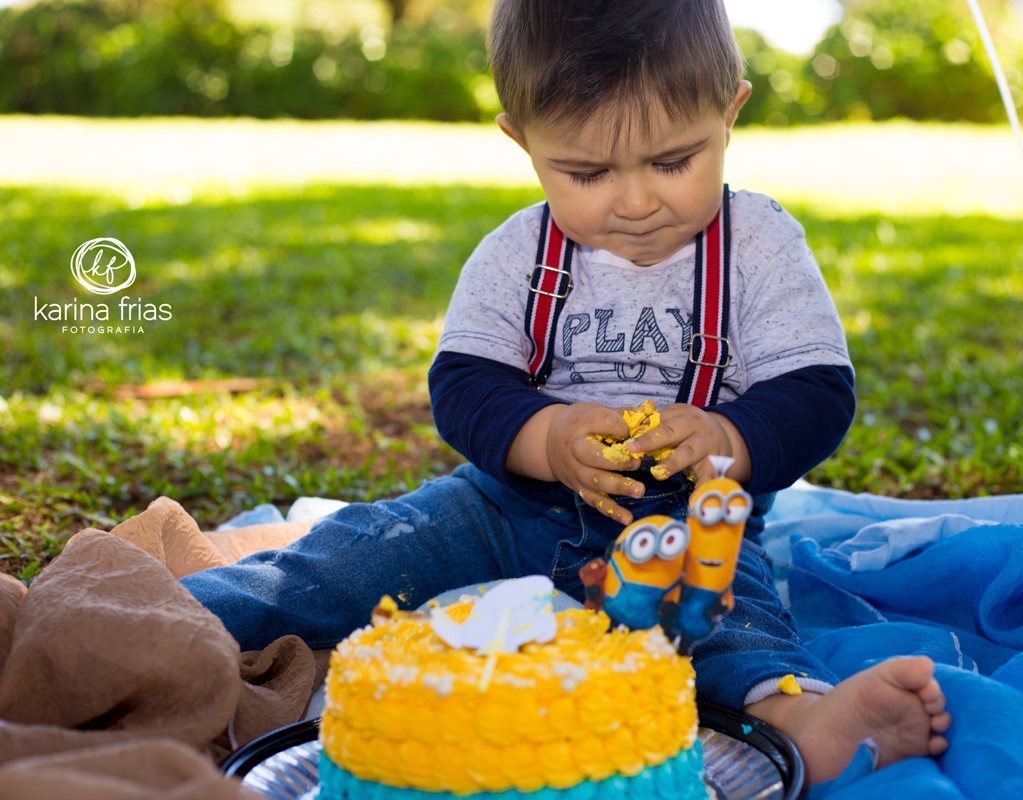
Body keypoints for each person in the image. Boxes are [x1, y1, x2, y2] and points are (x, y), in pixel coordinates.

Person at [181, 0, 950, 784]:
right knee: (353, 555)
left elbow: (816, 391)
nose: (636, 200)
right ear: (521, 139)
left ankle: (804, 719)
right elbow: (464, 385)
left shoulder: (757, 244)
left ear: (730, 113)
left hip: (680, 525)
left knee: (724, 621)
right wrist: (547, 439)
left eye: (674, 161)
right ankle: (165, 618)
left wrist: (729, 438)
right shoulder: (518, 253)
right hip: (505, 507)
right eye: (587, 173)